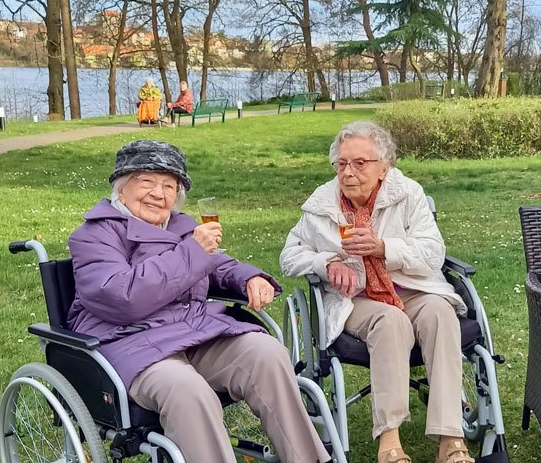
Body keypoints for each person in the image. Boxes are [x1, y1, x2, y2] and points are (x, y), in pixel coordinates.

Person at [67, 140, 330, 463]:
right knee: (189, 391)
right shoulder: (94, 235)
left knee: (267, 354)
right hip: (132, 346)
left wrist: (249, 277)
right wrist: (191, 251)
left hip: (193, 331)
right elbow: (121, 298)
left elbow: (217, 264)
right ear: (121, 188)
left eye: (169, 186)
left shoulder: (182, 226)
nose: (158, 193)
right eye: (146, 182)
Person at [280, 121, 473, 463]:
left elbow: (432, 252)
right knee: (390, 321)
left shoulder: (408, 194)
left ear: (384, 166)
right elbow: (290, 256)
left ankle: (450, 438)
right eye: (342, 164)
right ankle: (390, 441)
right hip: (355, 299)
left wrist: (384, 247)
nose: (349, 172)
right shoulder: (322, 205)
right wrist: (327, 264)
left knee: (441, 313)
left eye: (360, 163)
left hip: (412, 288)